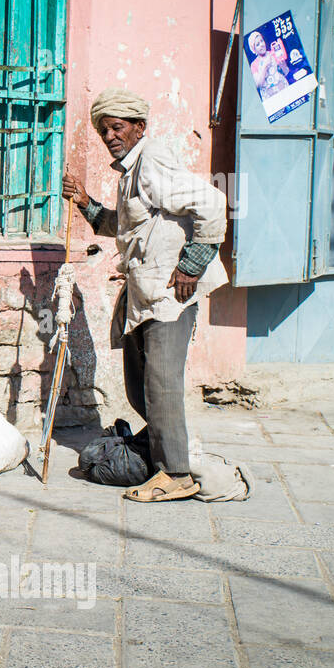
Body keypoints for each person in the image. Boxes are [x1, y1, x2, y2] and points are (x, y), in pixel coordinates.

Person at [61, 88, 227, 502]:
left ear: (139, 126)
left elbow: (212, 201)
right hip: (144, 295)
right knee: (140, 389)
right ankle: (163, 454)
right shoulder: (131, 172)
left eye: (117, 127)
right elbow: (125, 226)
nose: (110, 136)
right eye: (104, 130)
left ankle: (176, 474)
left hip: (169, 294)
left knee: (161, 384)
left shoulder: (151, 159)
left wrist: (193, 263)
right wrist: (84, 203)